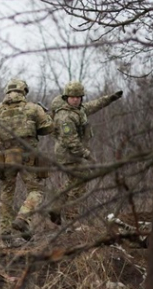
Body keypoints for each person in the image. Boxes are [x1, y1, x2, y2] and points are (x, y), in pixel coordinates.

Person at [0, 79, 53, 245]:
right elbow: (48, 128)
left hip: (7, 157)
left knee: (7, 192)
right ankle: (23, 217)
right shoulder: (33, 108)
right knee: (36, 190)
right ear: (24, 91)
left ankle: (5, 235)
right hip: (27, 156)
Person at [49, 81, 123, 227]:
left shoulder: (79, 109)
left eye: (78, 97)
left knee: (74, 181)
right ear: (66, 97)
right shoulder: (65, 116)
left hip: (72, 153)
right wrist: (88, 155)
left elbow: (94, 105)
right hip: (68, 154)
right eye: (72, 97)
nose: (75, 99)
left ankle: (56, 206)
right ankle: (71, 220)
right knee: (80, 183)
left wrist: (110, 98)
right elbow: (72, 142)